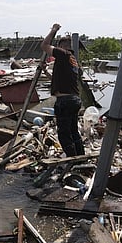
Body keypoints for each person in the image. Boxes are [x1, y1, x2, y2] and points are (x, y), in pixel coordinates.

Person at [41, 23, 85, 157]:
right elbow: (56, 80)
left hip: (65, 101)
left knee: (64, 134)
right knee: (73, 131)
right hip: (74, 100)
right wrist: (44, 71)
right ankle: (80, 157)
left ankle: (72, 160)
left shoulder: (63, 54)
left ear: (60, 47)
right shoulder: (72, 60)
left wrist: (53, 30)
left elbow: (44, 45)